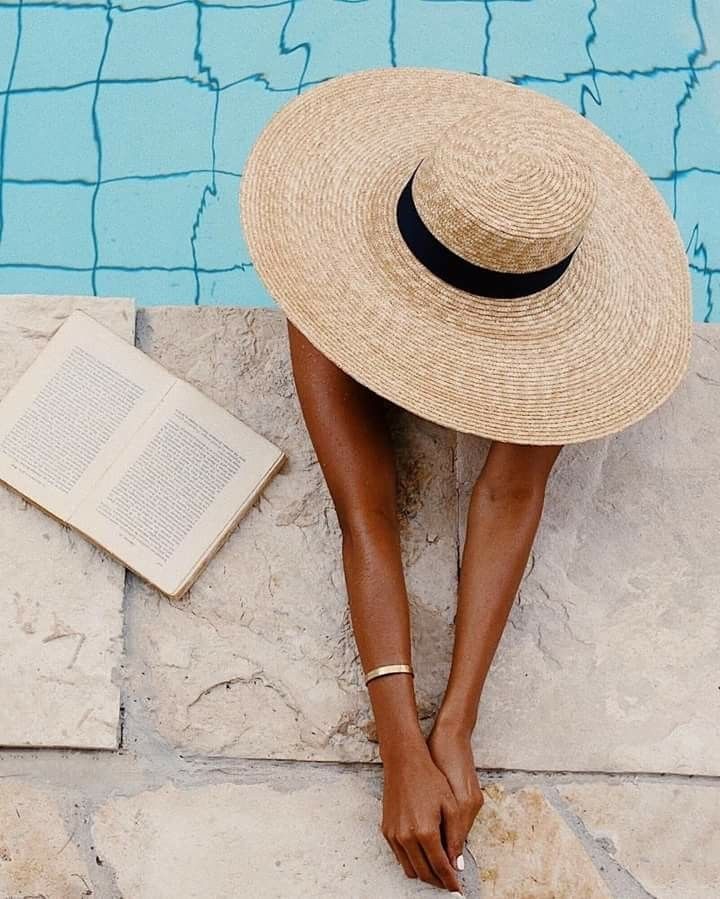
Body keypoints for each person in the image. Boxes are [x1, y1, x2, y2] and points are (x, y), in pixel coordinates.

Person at [240, 66, 692, 894]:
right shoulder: (330, 281)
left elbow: (511, 491)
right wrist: (397, 739)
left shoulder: (550, 286)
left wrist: (457, 722)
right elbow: (364, 513)